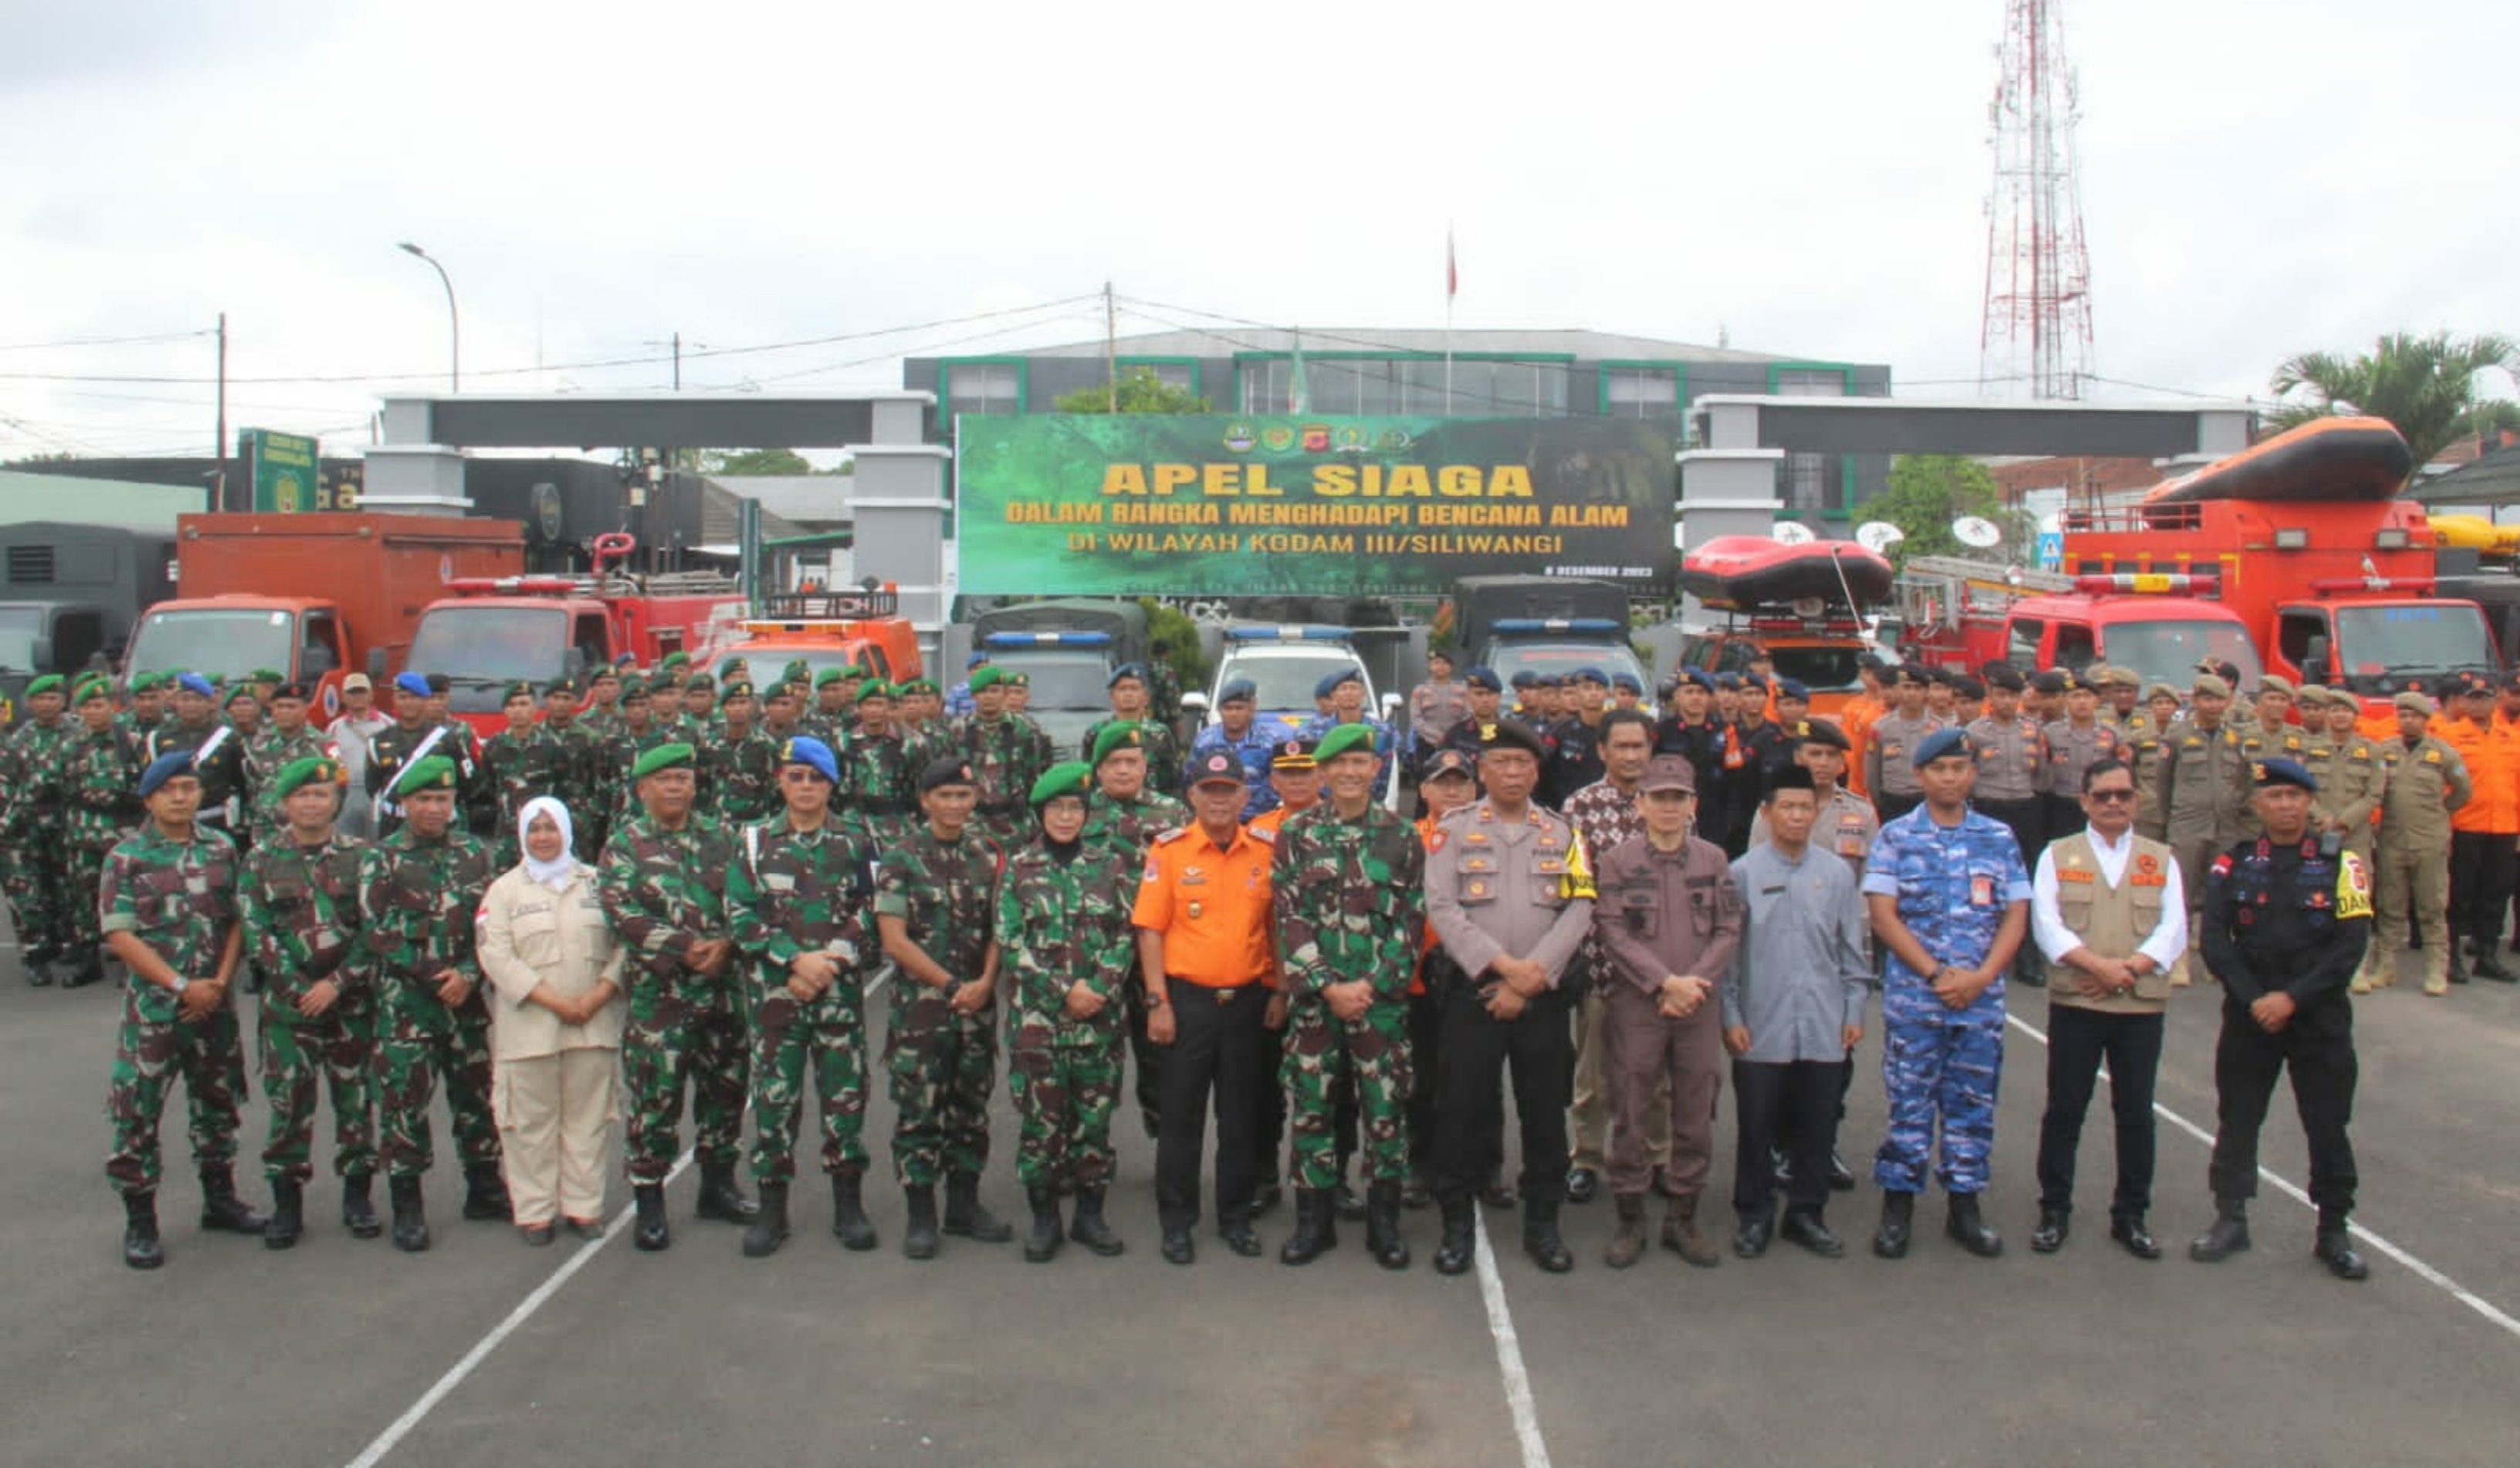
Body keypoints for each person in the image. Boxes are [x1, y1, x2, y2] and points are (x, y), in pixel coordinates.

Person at [2190, 758, 2374, 1280]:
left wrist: (2291, 999)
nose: (2286, 805)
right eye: (2275, 797)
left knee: (2327, 1123)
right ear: (2258, 804)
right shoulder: (2236, 862)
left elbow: (2349, 946)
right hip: (2251, 1015)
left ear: (2311, 802)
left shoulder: (2344, 863)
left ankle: (2334, 1229)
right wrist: (2255, 1000)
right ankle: (2231, 1217)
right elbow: (2215, 940)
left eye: (2295, 796)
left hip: (2318, 1015)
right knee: (2239, 1118)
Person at [1425, 719, 1594, 1276]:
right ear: (1482, 770)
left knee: (1545, 1114)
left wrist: (1534, 975)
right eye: (1501, 763)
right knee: (1461, 1111)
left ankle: (1542, 1223)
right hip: (1474, 995)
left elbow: (1582, 907)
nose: (1513, 772)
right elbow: (1443, 908)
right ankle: (1455, 1223)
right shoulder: (1453, 830)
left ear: (1536, 771)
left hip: (1540, 999)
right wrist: (1502, 970)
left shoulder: (1565, 834)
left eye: (1522, 763)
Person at [1862, 727, 2030, 1260]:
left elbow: (2016, 915)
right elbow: (1884, 917)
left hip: (1980, 1001)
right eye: (1939, 769)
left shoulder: (1998, 838)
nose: (1950, 778)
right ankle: (1898, 1207)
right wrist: (1936, 975)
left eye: (1959, 769)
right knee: (1909, 1104)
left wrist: (1980, 978)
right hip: (1917, 998)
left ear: (1972, 773)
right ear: (1920, 776)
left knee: (1972, 1104)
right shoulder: (1895, 837)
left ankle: (1965, 1205)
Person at [100, 751, 268, 1268]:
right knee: (138, 1114)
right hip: (155, 1012)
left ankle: (220, 1200)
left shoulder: (220, 848)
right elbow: (120, 935)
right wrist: (179, 985)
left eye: (189, 787)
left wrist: (219, 981)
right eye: (169, 789)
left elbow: (238, 919)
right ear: (149, 798)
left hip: (213, 1005)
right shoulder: (127, 857)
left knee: (217, 1106)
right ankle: (141, 1221)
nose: (180, 797)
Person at [1272, 722, 1424, 1268]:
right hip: (1317, 1004)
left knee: (1385, 1114)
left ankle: (1385, 1225)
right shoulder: (1297, 834)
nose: (1350, 773)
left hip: (1378, 1005)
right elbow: (1289, 917)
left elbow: (1410, 921)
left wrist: (1372, 986)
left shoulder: (1401, 836)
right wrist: (1329, 986)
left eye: (1360, 764)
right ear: (1324, 774)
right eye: (1338, 766)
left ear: (1376, 769)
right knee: (1311, 1112)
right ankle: (1314, 1223)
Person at [724, 736, 881, 1257]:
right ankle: (772, 1209)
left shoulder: (858, 840)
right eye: (797, 776)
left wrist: (828, 961)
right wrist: (794, 959)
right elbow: (742, 915)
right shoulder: (750, 842)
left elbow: (873, 909)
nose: (807, 786)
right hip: (777, 996)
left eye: (817, 777)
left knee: (845, 1099)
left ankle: (848, 1206)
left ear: (832, 783)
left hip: (836, 992)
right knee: (774, 1100)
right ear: (780, 780)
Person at [1588, 753, 1743, 1269]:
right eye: (1659, 798)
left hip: (1698, 1002)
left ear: (1693, 804)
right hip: (1640, 1002)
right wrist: (1664, 982)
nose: (1669, 808)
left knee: (1697, 1110)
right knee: (1631, 1107)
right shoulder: (1618, 862)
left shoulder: (1713, 860)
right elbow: (1612, 930)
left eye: (1678, 798)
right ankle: (1631, 1219)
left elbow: (1728, 927)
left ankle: (1684, 1216)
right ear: (1641, 804)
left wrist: (1695, 983)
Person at [598, 742, 755, 1251]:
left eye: (682, 779)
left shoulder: (724, 837)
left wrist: (728, 944)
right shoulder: (624, 845)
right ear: (642, 789)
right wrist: (687, 948)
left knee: (725, 1093)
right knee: (655, 1102)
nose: (675, 787)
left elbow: (748, 899)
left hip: (723, 994)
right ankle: (649, 1202)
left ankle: (718, 1187)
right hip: (660, 999)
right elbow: (622, 914)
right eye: (663, 780)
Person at [2027, 759, 2186, 1260]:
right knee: (2065, 1109)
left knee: (2136, 1113)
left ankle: (2131, 1214)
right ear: (2085, 802)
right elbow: (2047, 923)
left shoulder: (2161, 858)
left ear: (2137, 800)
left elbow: (2173, 927)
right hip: (2078, 1000)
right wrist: (2097, 967)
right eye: (2102, 796)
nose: (2113, 803)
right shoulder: (2058, 855)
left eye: (2123, 794)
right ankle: (2054, 1209)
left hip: (2139, 1005)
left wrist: (2129, 971)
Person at [357, 756, 506, 1252]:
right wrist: (432, 974)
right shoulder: (384, 858)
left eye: (443, 799)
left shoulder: (474, 853)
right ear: (404, 804)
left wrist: (467, 973)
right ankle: (408, 1205)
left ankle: (484, 1189)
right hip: (409, 1007)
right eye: (424, 799)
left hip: (464, 1002)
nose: (435, 808)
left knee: (474, 1098)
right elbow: (375, 930)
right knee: (405, 1104)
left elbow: (490, 922)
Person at [1138, 750, 1281, 1264]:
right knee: (1180, 1118)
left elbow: (1275, 929)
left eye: (1229, 790)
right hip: (1187, 1002)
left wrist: (1280, 990)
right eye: (1208, 790)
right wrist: (1157, 1002)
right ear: (1192, 796)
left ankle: (1236, 1217)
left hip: (1248, 1003)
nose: (1219, 800)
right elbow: (1150, 931)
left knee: (1242, 1117)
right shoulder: (1169, 850)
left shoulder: (1265, 850)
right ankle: (1177, 1223)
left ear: (1245, 796)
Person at [1723, 766, 1869, 1259]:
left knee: (1817, 1124)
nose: (1797, 816)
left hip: (1824, 1021)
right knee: (1757, 1125)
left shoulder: (1836, 874)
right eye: (1787, 806)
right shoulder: (1741, 874)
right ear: (1766, 813)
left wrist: (1855, 1008)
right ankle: (1755, 1213)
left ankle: (1807, 1213)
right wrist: (1731, 1017)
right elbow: (1729, 958)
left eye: (1806, 807)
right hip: (1760, 1021)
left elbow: (1853, 950)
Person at [239, 756, 378, 1250]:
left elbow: (374, 930)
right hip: (289, 1011)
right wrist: (299, 987)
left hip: (350, 1004)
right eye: (302, 795)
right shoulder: (260, 859)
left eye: (321, 794)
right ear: (285, 804)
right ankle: (286, 1204)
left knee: (356, 1103)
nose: (312, 803)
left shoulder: (361, 857)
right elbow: (258, 933)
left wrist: (336, 984)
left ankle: (358, 1198)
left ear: (337, 802)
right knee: (289, 1107)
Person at [876, 758, 1012, 1259]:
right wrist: (953, 983)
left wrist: (985, 983)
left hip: (976, 1006)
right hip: (922, 1013)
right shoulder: (901, 857)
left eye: (963, 796)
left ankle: (963, 1206)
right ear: (925, 800)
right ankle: (921, 1215)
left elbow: (1002, 926)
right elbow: (894, 939)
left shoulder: (990, 853)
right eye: (945, 796)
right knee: (919, 1111)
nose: (956, 805)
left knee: (971, 1109)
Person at [999, 760, 1136, 1263]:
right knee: (1041, 1123)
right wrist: (1063, 992)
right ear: (1039, 813)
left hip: (1098, 1019)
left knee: (1094, 1120)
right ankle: (1044, 1218)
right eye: (1055, 807)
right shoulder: (1018, 869)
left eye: (1074, 807)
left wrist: (1099, 986)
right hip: (1040, 1023)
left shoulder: (1110, 865)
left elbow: (1126, 935)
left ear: (1087, 813)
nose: (1064, 816)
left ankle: (1090, 1215)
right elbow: (1012, 944)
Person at [475, 797, 625, 1246]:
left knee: (587, 1121)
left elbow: (624, 944)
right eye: (534, 829)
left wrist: (600, 992)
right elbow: (495, 955)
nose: (543, 837)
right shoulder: (503, 891)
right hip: (530, 1028)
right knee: (529, 1124)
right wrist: (557, 1003)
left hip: (592, 1024)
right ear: (522, 835)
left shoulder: (599, 885)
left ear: (567, 831)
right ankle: (536, 1211)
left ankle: (583, 1207)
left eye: (551, 828)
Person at [1559, 708, 1659, 1205]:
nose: (1631, 756)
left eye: (1639, 746)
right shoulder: (1578, 808)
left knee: (1655, 1071)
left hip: (1661, 963)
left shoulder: (1669, 802)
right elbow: (1576, 888)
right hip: (1600, 961)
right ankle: (1588, 1157)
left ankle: (1657, 1154)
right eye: (1621, 747)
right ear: (1603, 751)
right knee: (1594, 1070)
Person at [2354, 691, 2470, 996]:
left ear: (2425, 719)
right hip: (2393, 840)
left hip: (2429, 841)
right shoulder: (2385, 751)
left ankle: (2436, 971)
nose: (2408, 720)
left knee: (2431, 907)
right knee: (2390, 907)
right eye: (2403, 715)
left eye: (2414, 716)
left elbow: (2462, 791)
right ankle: (2385, 967)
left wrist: (2440, 814)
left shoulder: (2444, 753)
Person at [2159, 673, 2252, 984]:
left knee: (2220, 894)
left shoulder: (2236, 738)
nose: (2214, 705)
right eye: (2208, 699)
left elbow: (2243, 779)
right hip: (2188, 824)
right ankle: (2179, 958)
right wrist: (2171, 819)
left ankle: (2216, 959)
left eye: (2220, 699)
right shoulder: (2177, 736)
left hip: (2226, 827)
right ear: (2196, 701)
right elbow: (2163, 784)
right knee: (2181, 893)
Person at [1969, 666, 2050, 989]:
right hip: (1989, 808)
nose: (2006, 702)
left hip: (2025, 809)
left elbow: (2043, 775)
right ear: (1990, 696)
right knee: (1984, 883)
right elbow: (1968, 774)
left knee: (2025, 883)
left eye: (2013, 696)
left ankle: (2028, 959)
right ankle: (1985, 954)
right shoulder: (1975, 732)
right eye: (2001, 695)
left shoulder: (2032, 731)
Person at [62, 675, 142, 989]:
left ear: (113, 706)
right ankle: (88, 961)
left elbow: (144, 788)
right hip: (83, 832)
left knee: (125, 899)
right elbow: (65, 788)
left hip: (121, 832)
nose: (93, 712)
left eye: (99, 705)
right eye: (87, 707)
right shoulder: (72, 745)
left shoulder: (131, 743)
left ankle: (131, 961)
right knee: (85, 899)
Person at [1187, 679, 1279, 820]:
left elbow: (1279, 785)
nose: (1233, 714)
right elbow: (1190, 782)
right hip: (1215, 821)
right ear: (1219, 710)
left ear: (1252, 708)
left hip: (1260, 821)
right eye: (1228, 708)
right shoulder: (1205, 742)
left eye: (1239, 708)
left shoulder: (1269, 742)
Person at [1862, 667, 1941, 825]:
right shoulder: (1880, 728)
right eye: (1906, 687)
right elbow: (1872, 773)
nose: (1912, 693)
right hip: (1893, 803)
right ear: (1897, 690)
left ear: (1926, 692)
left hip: (1928, 800)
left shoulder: (1940, 728)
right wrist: (1881, 803)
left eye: (1918, 688)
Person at [1408, 649, 1472, 763]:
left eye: (1445, 663)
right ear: (1430, 666)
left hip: (1457, 742)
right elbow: (1416, 718)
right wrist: (1436, 736)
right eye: (1436, 663)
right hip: (1427, 743)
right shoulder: (1420, 691)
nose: (1440, 666)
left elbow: (1468, 715)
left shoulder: (1462, 690)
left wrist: (1452, 735)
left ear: (1451, 667)